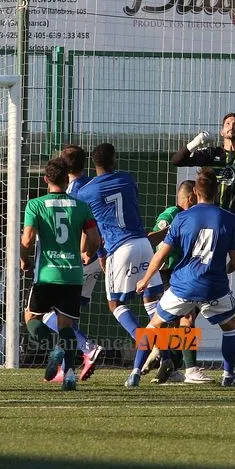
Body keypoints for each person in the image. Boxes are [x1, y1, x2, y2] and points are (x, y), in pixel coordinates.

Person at [131, 169, 235, 388]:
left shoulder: (181, 217)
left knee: (156, 324)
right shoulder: (229, 219)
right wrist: (220, 272)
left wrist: (144, 280)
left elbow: (160, 253)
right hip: (212, 284)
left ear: (195, 192)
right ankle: (226, 374)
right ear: (217, 192)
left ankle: (137, 371)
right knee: (228, 327)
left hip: (182, 282)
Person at [20, 158, 101, 390]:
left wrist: (23, 258)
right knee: (67, 326)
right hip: (73, 275)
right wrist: (87, 254)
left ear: (46, 179)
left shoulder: (35, 205)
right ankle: (70, 375)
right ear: (67, 180)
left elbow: (26, 239)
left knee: (31, 318)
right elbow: (95, 239)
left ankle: (52, 345)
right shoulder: (81, 206)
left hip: (47, 274)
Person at [76, 143, 163, 347]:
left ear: (93, 162)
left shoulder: (85, 192)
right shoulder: (127, 179)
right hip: (144, 244)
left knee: (115, 303)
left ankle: (145, 344)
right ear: (114, 159)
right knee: (152, 302)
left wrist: (99, 254)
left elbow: (90, 228)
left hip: (120, 248)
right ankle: (166, 356)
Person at [39, 144, 104, 382]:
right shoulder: (94, 183)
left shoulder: (72, 193)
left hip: (77, 258)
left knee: (46, 314)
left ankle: (87, 347)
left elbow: (78, 225)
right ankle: (67, 371)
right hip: (100, 256)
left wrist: (84, 251)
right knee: (69, 316)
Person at [143, 180, 213, 384]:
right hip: (170, 274)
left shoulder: (194, 218)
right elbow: (154, 238)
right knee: (185, 319)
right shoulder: (172, 213)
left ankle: (167, 365)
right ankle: (183, 365)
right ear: (191, 197)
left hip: (183, 274)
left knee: (175, 322)